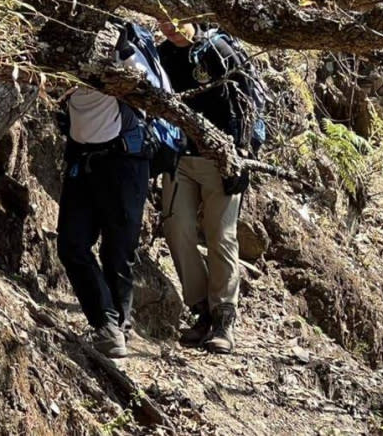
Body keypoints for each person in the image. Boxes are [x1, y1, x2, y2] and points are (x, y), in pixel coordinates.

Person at [56, 22, 174, 358]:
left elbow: (155, 97)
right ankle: (106, 322)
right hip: (84, 161)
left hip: (125, 162)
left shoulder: (128, 59)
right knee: (71, 244)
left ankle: (117, 325)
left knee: (118, 250)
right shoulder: (61, 54)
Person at [157, 20, 260, 354]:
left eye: (176, 20)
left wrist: (242, 155)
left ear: (193, 19)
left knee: (220, 235)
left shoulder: (218, 50)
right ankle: (201, 308)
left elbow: (247, 103)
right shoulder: (161, 56)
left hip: (222, 160)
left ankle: (223, 319)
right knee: (177, 229)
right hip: (179, 158)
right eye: (162, 20)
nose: (169, 27)